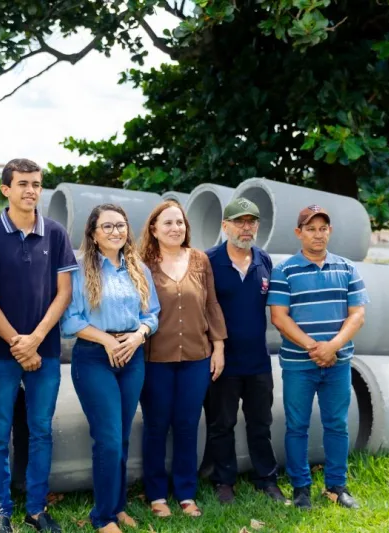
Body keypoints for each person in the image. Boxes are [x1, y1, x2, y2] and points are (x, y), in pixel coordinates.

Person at [0, 158, 78, 533]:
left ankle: (36, 509)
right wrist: (18, 342)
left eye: (36, 183)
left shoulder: (55, 233)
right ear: (6, 189)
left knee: (41, 430)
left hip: (45, 351)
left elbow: (64, 293)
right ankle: (1, 512)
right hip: (1, 352)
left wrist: (34, 339)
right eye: (22, 184)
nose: (31, 190)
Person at [61, 204, 160, 533]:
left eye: (120, 225)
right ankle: (102, 516)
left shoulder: (138, 269)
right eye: (107, 226)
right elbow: (71, 320)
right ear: (92, 233)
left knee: (121, 435)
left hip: (132, 357)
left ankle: (117, 506)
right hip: (94, 357)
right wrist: (108, 341)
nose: (116, 231)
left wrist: (136, 338)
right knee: (108, 438)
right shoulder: (78, 268)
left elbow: (152, 314)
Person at [267, 204, 369, 510]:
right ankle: (301, 488)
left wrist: (332, 346)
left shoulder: (348, 268)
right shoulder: (284, 271)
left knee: (337, 424)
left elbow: (358, 315)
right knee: (297, 425)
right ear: (299, 233)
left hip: (337, 363)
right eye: (310, 229)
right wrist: (314, 346)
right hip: (299, 365)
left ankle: (336, 486)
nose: (317, 234)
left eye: (323, 228)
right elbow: (279, 317)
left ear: (330, 231)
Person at [137, 201, 227, 518]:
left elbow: (212, 306)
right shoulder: (141, 263)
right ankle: (157, 494)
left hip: (196, 358)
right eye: (168, 223)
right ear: (153, 229)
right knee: (157, 426)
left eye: (180, 222)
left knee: (188, 424)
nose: (176, 228)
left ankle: (186, 493)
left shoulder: (200, 260)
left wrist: (218, 348)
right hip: (155, 360)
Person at [204, 198, 285, 504]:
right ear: (225, 226)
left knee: (261, 422)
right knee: (222, 424)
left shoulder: (264, 260)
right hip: (222, 360)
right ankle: (224, 481)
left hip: (257, 361)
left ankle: (266, 478)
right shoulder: (209, 261)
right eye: (239, 222)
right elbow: (203, 311)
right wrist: (216, 347)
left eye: (251, 222)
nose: (246, 228)